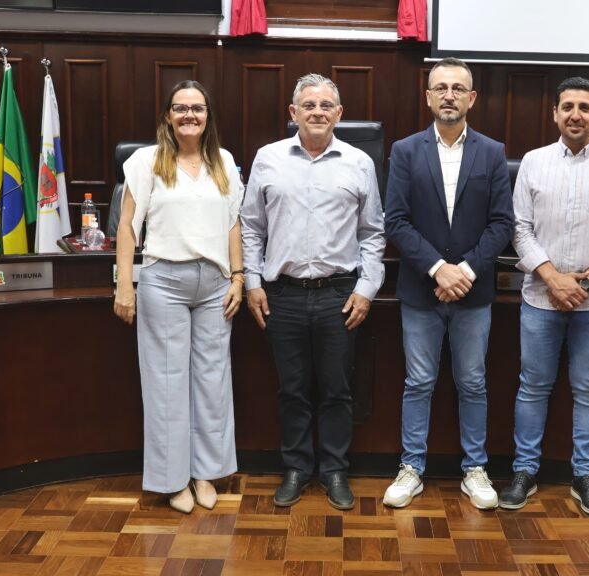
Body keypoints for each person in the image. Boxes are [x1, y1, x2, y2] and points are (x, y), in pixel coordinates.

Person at [241, 73, 385, 510]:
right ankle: (297, 468)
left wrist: (366, 289)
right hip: (281, 294)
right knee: (292, 388)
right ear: (293, 113)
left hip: (339, 294)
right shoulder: (268, 159)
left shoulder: (359, 163)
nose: (318, 112)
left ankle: (335, 471)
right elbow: (250, 227)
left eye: (326, 105)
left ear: (339, 114)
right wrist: (251, 283)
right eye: (309, 105)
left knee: (338, 389)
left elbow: (373, 233)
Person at [498, 77, 589, 516]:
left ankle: (585, 475)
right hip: (540, 298)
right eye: (567, 107)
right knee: (532, 387)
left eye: (583, 107)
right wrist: (552, 278)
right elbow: (518, 228)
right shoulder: (534, 164)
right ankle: (524, 471)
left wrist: (582, 284)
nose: (574, 114)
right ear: (554, 114)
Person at [382, 57, 514, 509]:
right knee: (418, 382)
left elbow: (501, 224)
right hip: (421, 290)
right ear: (428, 96)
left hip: (474, 293)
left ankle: (474, 469)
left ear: (471, 98)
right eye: (441, 88)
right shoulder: (405, 150)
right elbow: (395, 222)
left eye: (458, 88)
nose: (449, 95)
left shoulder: (493, 152)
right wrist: (439, 269)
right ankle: (412, 468)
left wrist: (466, 272)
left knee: (473, 382)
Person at [112, 80, 245, 514]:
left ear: (208, 116)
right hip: (162, 282)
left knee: (212, 382)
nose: (190, 115)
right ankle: (173, 481)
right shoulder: (146, 161)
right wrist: (125, 285)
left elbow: (232, 226)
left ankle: (206, 473)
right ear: (168, 115)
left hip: (214, 285)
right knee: (166, 384)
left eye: (198, 108)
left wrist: (239, 278)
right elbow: (128, 226)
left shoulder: (223, 162)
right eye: (181, 108)